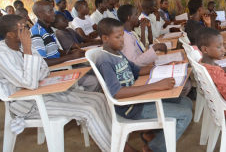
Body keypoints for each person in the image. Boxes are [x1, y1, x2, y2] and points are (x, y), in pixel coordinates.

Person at [0, 14, 137, 152]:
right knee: (88, 111)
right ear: (11, 34)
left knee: (99, 98)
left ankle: (120, 144)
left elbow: (44, 71)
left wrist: (32, 68)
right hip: (28, 104)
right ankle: (114, 149)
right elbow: (30, 84)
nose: (28, 30)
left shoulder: (24, 46)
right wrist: (28, 51)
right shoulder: (4, 53)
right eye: (23, 28)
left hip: (45, 92)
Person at [95, 18, 193, 152]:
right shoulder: (104, 60)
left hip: (137, 99)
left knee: (187, 102)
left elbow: (137, 70)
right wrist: (155, 86)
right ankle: (152, 149)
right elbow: (117, 92)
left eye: (122, 36)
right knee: (186, 114)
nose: (122, 40)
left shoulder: (117, 52)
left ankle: (154, 136)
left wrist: (165, 66)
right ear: (105, 38)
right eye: (118, 37)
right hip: (130, 108)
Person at [30, 0, 100, 92]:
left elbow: (56, 51)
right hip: (52, 72)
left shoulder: (47, 29)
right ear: (40, 15)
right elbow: (42, 62)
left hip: (61, 66)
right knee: (94, 81)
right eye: (50, 11)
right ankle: (87, 101)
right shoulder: (36, 32)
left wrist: (71, 53)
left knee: (98, 71)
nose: (54, 14)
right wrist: (71, 56)